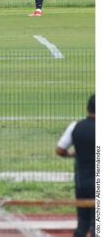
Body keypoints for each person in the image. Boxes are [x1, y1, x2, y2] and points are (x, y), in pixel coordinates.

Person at [56, 94, 95, 237]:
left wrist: (73, 154)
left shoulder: (75, 126)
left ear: (87, 108)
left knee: (82, 224)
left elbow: (60, 150)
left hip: (81, 182)